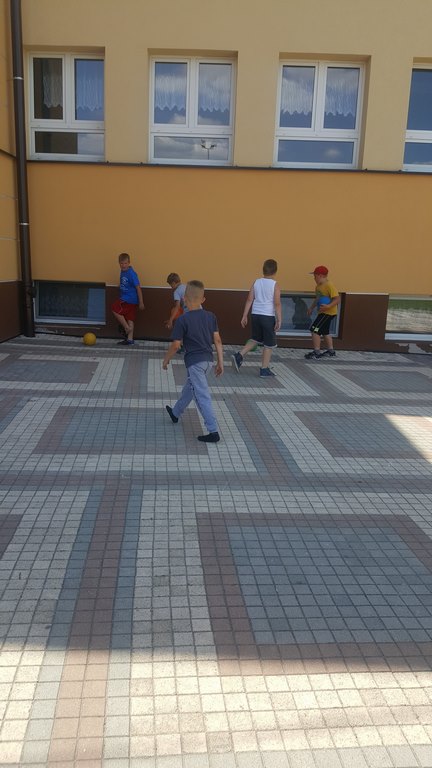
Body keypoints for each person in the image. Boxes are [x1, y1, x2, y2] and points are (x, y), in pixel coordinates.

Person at [163, 280, 223, 443]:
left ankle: (213, 431)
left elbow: (176, 345)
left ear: (184, 298)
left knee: (201, 396)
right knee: (190, 388)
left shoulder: (183, 320)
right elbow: (217, 340)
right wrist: (220, 362)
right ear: (203, 299)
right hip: (208, 362)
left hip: (195, 364)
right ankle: (175, 413)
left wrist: (166, 360)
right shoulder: (211, 316)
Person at [231, 258, 281, 377]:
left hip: (255, 315)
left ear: (263, 270)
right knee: (268, 344)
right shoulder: (275, 284)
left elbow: (249, 299)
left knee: (255, 339)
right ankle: (264, 369)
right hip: (267, 316)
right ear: (275, 271)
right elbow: (277, 303)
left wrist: (244, 315)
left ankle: (239, 355)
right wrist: (279, 319)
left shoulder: (256, 282)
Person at [304, 265, 340, 359]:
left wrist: (328, 306)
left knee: (314, 330)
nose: (314, 278)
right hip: (322, 312)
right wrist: (311, 308)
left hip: (328, 313)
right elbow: (318, 299)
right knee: (325, 331)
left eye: (315, 276)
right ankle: (331, 351)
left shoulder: (329, 285)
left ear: (320, 276)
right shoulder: (318, 287)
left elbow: (337, 299)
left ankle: (317, 352)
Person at [112, 252, 144, 345]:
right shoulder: (123, 271)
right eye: (121, 263)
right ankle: (130, 340)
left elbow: (138, 288)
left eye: (125, 263)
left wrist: (141, 302)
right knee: (130, 318)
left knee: (114, 308)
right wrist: (120, 285)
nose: (123, 265)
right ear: (119, 263)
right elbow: (125, 282)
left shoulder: (131, 273)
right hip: (129, 299)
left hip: (128, 299)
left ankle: (126, 328)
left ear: (129, 263)